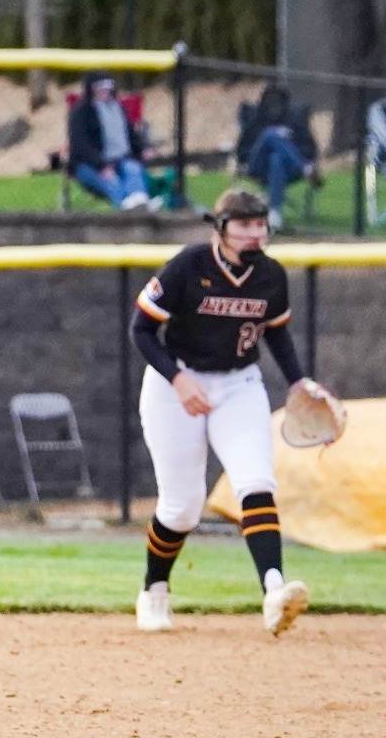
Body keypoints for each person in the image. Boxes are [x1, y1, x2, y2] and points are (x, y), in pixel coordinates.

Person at [130, 188, 334, 636]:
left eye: (260, 224)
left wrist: (298, 382)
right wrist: (177, 379)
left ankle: (274, 592)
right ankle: (154, 589)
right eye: (243, 224)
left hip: (239, 384)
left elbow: (275, 333)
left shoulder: (271, 275)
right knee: (182, 508)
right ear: (220, 229)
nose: (254, 233)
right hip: (175, 383)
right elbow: (141, 330)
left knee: (256, 481)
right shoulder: (189, 265)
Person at [235, 83, 321, 228]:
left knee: (276, 160)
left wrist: (286, 146)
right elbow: (242, 150)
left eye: (277, 103)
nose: (274, 107)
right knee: (270, 134)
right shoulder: (255, 119)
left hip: (287, 168)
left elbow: (310, 149)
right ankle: (305, 169)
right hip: (257, 166)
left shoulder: (295, 120)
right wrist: (271, 140)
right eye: (270, 103)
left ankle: (274, 214)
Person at [67, 70, 155, 210]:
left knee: (133, 169)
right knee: (112, 181)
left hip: (120, 160)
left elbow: (131, 135)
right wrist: (101, 166)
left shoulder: (118, 108)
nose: (104, 90)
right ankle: (128, 209)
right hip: (89, 165)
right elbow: (80, 145)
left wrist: (143, 148)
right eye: (99, 87)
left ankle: (140, 204)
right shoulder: (81, 112)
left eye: (107, 87)